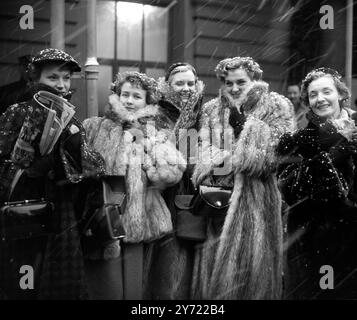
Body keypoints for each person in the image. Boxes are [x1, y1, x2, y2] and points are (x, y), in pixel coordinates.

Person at [0, 48, 105, 299]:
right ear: (36, 79)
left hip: (63, 210)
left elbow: (92, 166)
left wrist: (68, 161)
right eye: (53, 78)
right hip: (24, 207)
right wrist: (27, 166)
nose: (60, 85)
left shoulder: (72, 120)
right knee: (24, 275)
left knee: (61, 281)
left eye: (66, 78)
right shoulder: (17, 112)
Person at [191, 56, 295, 300]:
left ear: (255, 80)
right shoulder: (212, 109)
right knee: (215, 270)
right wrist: (229, 159)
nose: (235, 88)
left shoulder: (276, 106)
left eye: (241, 82)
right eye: (229, 83)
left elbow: (277, 156)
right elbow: (202, 153)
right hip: (219, 199)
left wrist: (247, 127)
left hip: (258, 201)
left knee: (253, 271)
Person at [82, 71, 186, 299]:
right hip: (102, 218)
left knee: (134, 289)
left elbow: (170, 173)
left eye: (136, 96)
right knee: (104, 288)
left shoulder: (155, 133)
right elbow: (83, 168)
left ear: (147, 101)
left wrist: (144, 141)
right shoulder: (94, 127)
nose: (128, 101)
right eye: (125, 94)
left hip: (137, 219)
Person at [277, 67, 357, 299]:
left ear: (340, 94)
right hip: (313, 241)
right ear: (307, 101)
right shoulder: (297, 140)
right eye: (313, 95)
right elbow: (293, 190)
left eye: (326, 91)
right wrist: (333, 155)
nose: (320, 99)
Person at [144, 62, 205, 299]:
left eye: (191, 83)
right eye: (179, 83)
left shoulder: (204, 113)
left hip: (195, 196)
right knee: (165, 262)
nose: (186, 88)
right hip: (164, 194)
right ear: (168, 85)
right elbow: (150, 146)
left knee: (192, 261)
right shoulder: (156, 113)